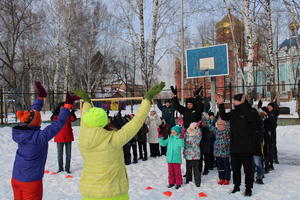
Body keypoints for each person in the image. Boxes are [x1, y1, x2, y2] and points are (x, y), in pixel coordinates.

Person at [75, 82, 165, 200]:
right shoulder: (113, 139)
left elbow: (86, 121)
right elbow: (136, 122)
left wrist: (86, 102)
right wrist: (147, 99)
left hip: (89, 193)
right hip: (113, 193)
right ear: (105, 121)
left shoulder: (83, 137)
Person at [11, 81, 79, 200]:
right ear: (36, 123)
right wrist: (67, 106)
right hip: (31, 183)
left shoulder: (22, 131)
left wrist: (41, 97)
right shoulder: (38, 138)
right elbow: (58, 124)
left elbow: (32, 114)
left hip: (16, 179)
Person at [216, 93, 261, 197]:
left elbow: (252, 119)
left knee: (248, 170)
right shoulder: (234, 112)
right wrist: (221, 104)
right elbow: (224, 117)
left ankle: (248, 188)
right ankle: (236, 186)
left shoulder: (251, 111)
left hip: (246, 147)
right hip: (235, 146)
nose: (234, 102)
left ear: (242, 101)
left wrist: (243, 104)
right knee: (235, 169)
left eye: (236, 100)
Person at [51, 102, 77, 173]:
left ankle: (67, 169)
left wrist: (73, 112)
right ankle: (60, 168)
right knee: (60, 154)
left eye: (64, 107)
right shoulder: (57, 115)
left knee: (68, 154)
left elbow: (73, 119)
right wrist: (55, 112)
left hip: (68, 136)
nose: (62, 108)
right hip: (59, 137)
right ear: (59, 107)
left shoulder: (68, 114)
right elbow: (53, 119)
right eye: (61, 107)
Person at [205, 119, 231, 185]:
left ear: (224, 125)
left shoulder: (226, 131)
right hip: (217, 153)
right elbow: (210, 126)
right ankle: (221, 178)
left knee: (226, 166)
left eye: (221, 124)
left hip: (225, 153)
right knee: (220, 166)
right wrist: (206, 119)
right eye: (218, 124)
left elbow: (229, 126)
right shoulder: (216, 131)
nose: (219, 126)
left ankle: (227, 178)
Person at [158, 125, 185, 189]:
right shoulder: (170, 138)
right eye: (171, 132)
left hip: (176, 159)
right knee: (170, 172)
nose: (172, 133)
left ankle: (178, 183)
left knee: (177, 172)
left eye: (174, 132)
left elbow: (182, 144)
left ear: (177, 133)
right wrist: (160, 137)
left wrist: (181, 138)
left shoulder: (178, 139)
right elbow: (163, 144)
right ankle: (171, 182)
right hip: (169, 159)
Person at [183, 122, 202, 187]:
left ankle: (197, 182)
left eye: (193, 128)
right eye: (190, 127)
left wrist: (197, 129)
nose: (191, 129)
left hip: (195, 155)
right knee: (188, 169)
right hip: (188, 154)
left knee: (196, 169)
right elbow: (185, 143)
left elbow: (196, 142)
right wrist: (184, 151)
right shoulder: (187, 133)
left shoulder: (197, 133)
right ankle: (188, 180)